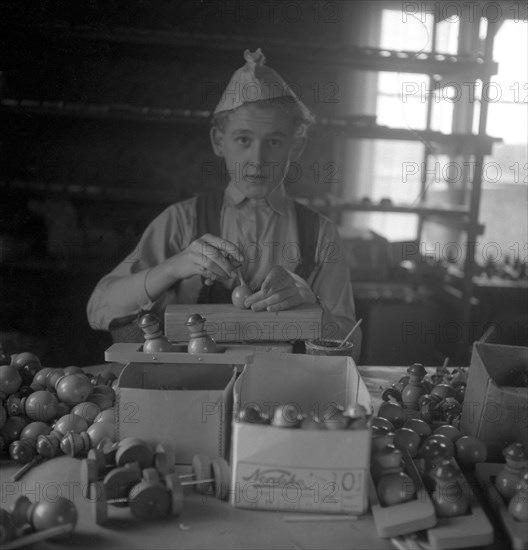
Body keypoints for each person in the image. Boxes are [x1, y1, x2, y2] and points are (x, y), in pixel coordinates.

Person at [87, 49, 362, 358]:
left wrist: (312, 306)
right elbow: (99, 308)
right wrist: (173, 267)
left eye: (273, 142)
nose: (257, 161)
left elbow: (351, 349)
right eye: (243, 140)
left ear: (295, 146)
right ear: (219, 141)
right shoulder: (181, 220)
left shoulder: (321, 234)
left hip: (286, 396)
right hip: (195, 391)